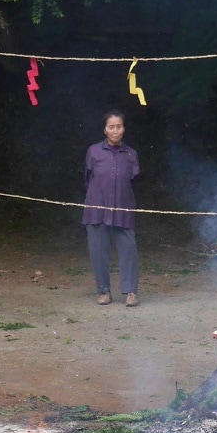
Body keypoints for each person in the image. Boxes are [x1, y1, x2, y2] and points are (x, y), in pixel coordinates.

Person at [83, 110, 141, 307]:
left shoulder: (131, 154)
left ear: (123, 129)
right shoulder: (94, 151)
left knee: (129, 250)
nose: (116, 131)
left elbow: (133, 181)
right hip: (96, 209)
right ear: (105, 130)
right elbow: (87, 179)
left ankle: (131, 292)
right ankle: (103, 291)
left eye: (119, 126)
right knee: (98, 251)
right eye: (111, 127)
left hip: (123, 208)